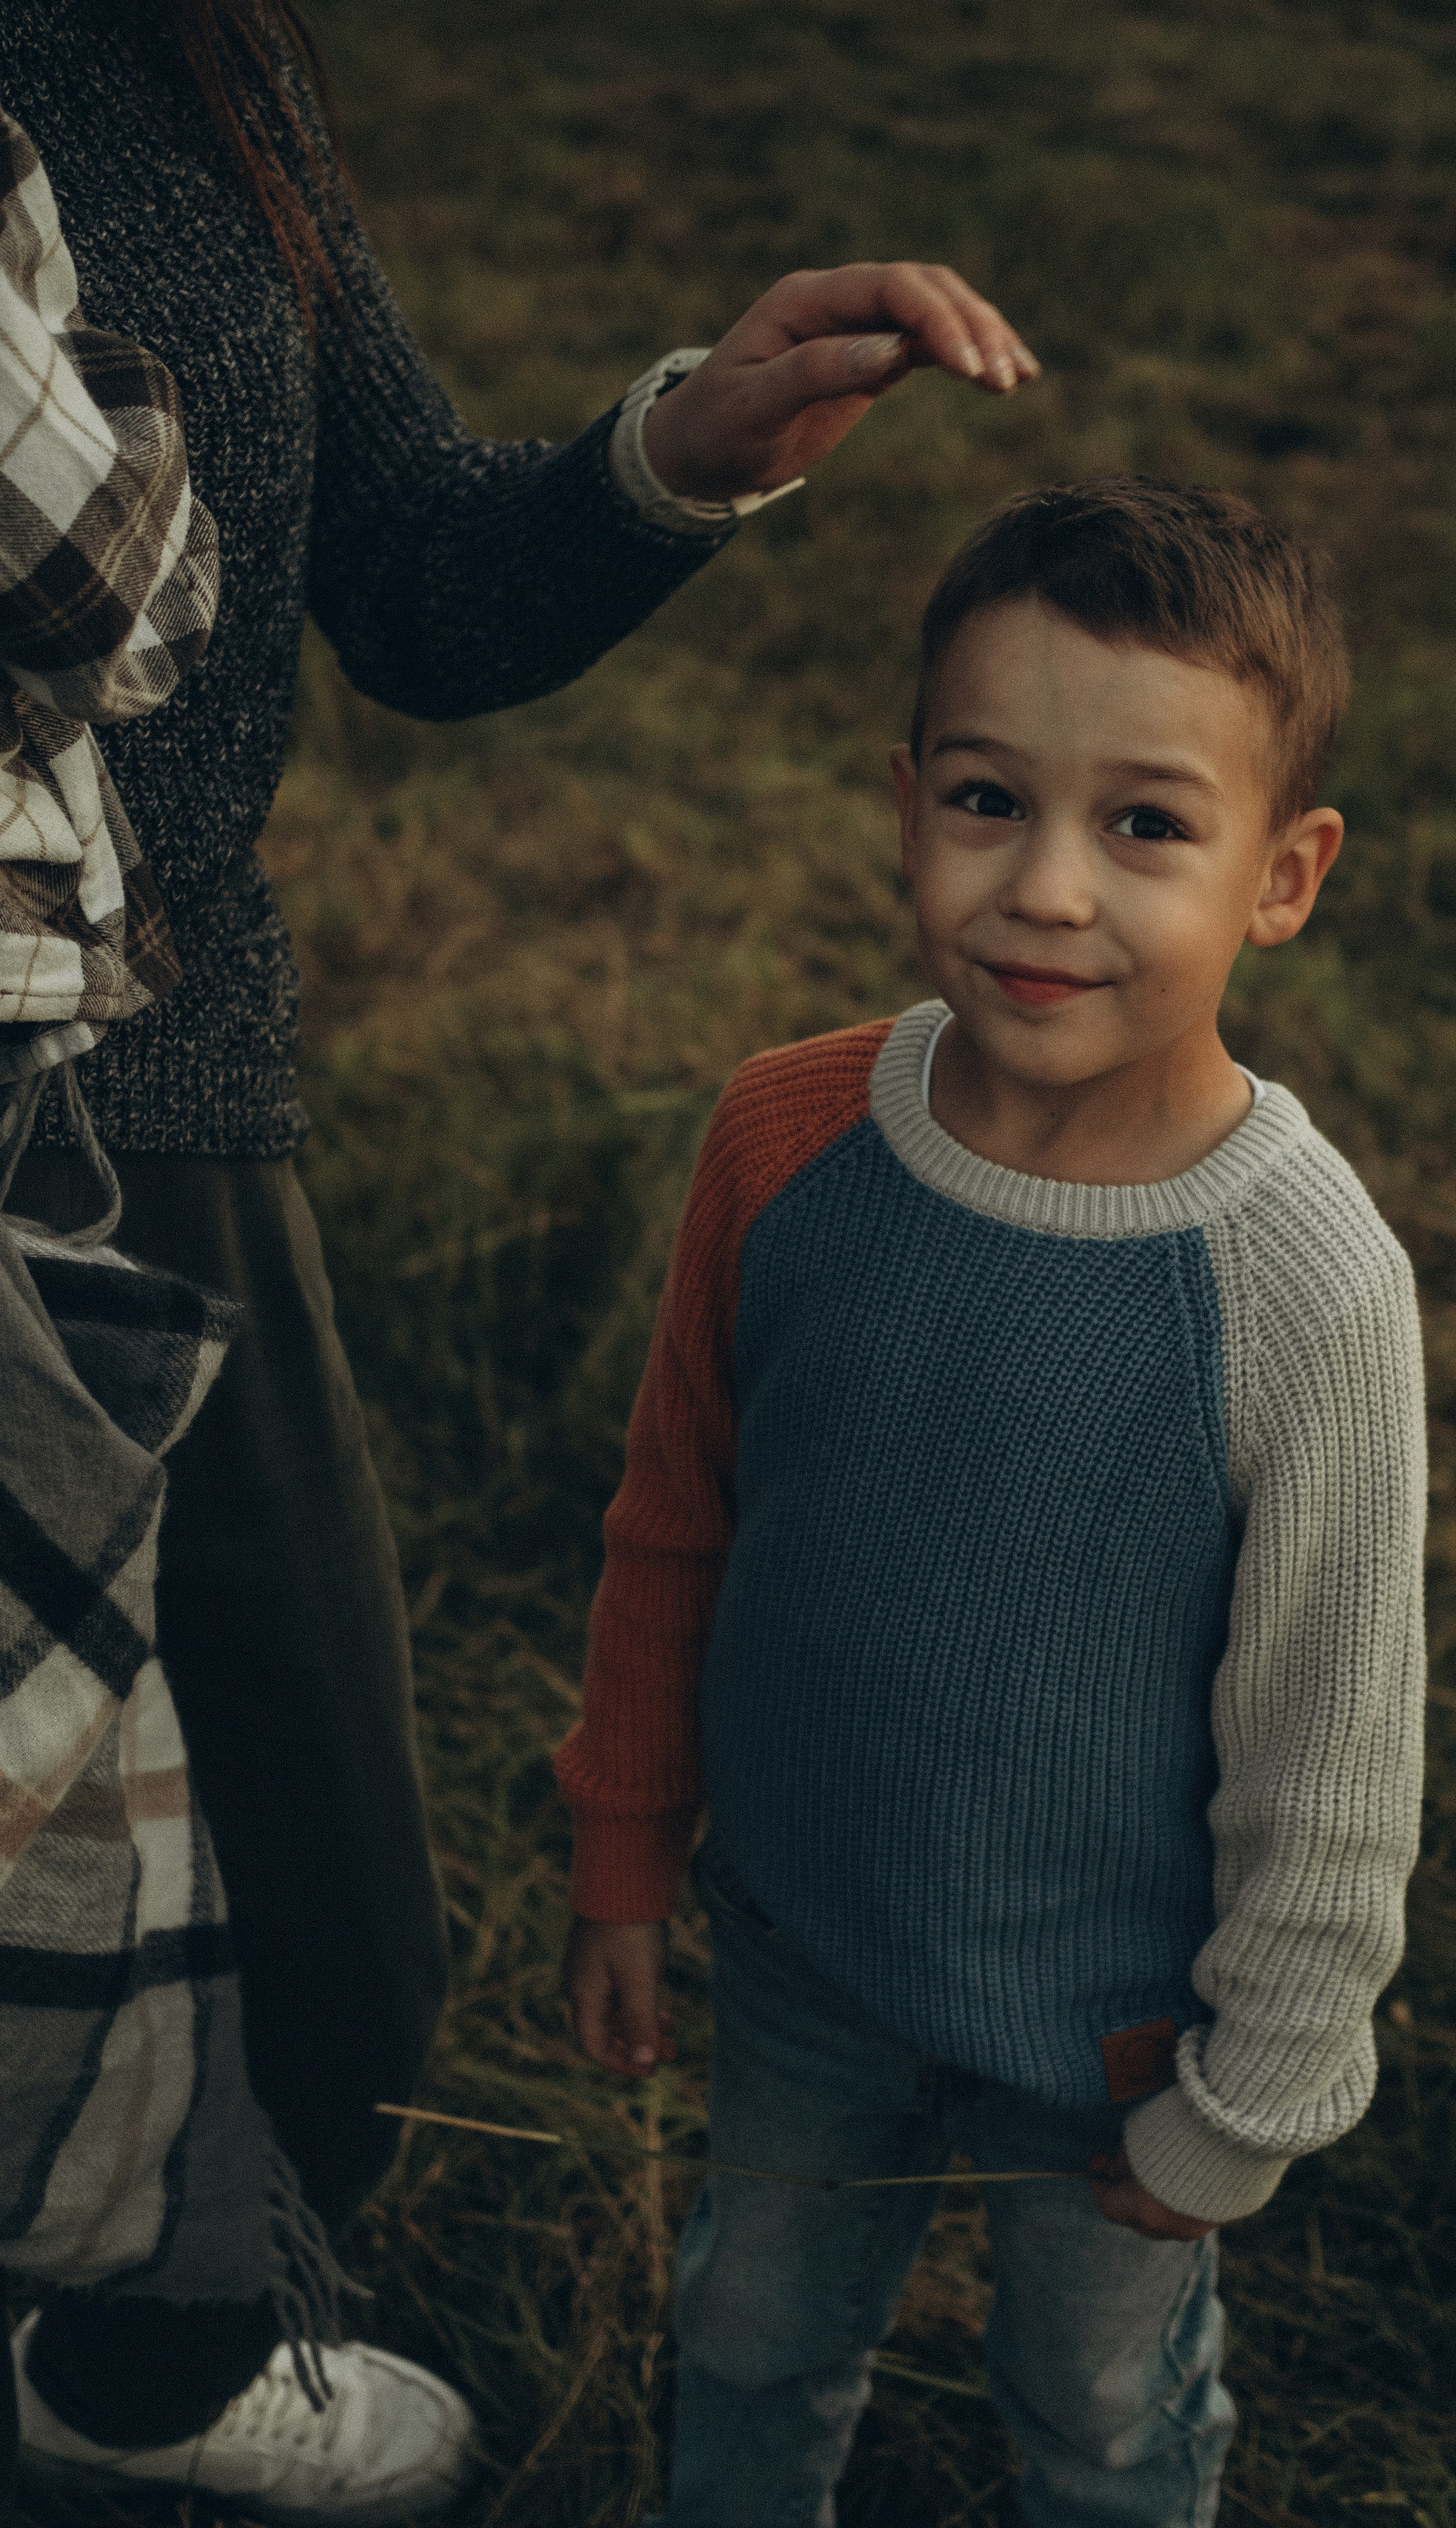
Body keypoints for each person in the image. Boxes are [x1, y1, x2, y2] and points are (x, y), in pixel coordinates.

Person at [0, 0, 1036, 2513]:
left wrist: (681, 449)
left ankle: (124, 2350)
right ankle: (145, 2374)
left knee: (328, 1928)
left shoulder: (202, 53)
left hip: (153, 1109)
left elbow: (419, 584)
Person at [560, 476, 1429, 2527]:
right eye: (985, 800)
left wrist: (1250, 2103)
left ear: (1282, 875)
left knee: (1101, 2419)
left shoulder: (1305, 1288)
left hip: (1123, 2041)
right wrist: (623, 1850)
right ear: (904, 799)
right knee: (756, 2337)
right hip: (801, 1947)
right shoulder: (786, 1137)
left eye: (1145, 824)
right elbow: (675, 1518)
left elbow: (1336, 1744)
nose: (1046, 889)